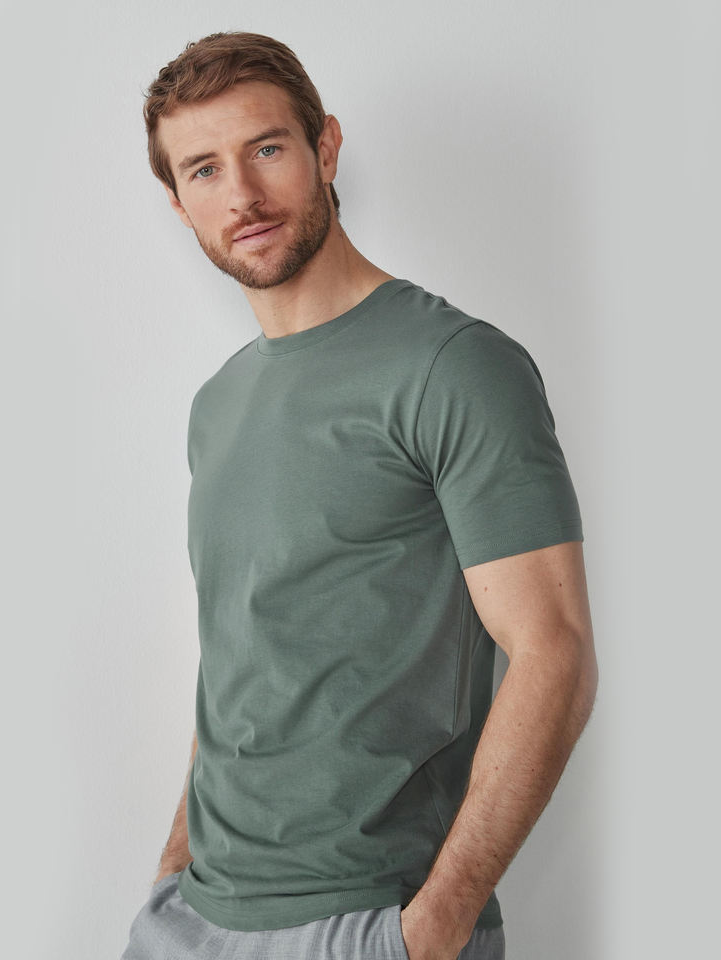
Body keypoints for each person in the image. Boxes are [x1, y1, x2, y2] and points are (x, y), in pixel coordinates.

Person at [120, 30, 598, 960]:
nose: (242, 195)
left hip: (365, 923)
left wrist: (433, 926)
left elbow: (556, 652)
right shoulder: (218, 404)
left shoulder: (454, 367)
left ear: (326, 147)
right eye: (204, 169)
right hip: (192, 920)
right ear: (178, 202)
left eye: (266, 149)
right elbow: (243, 655)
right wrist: (173, 873)